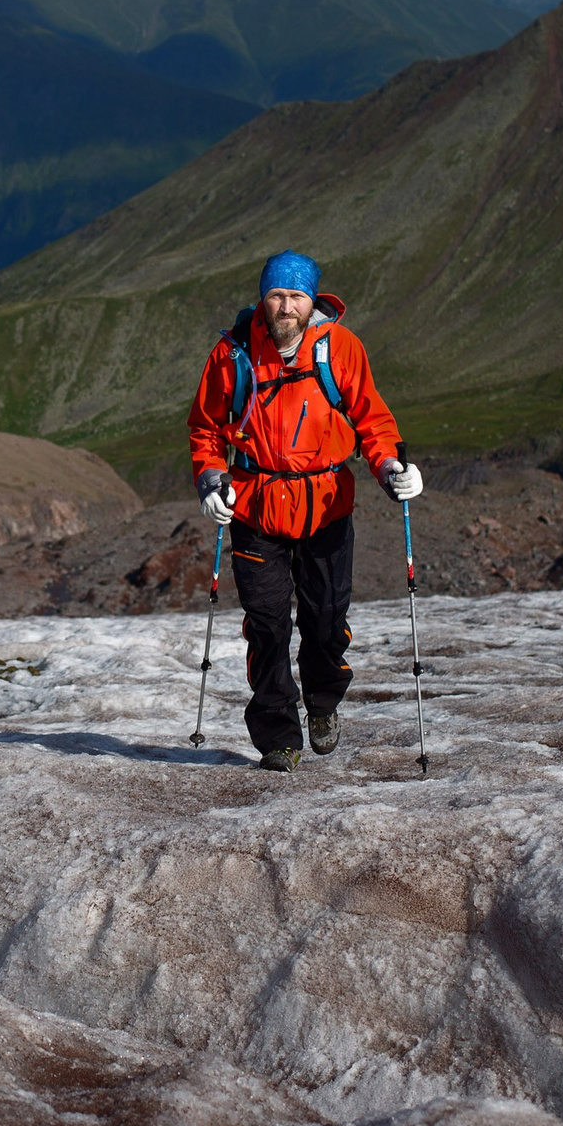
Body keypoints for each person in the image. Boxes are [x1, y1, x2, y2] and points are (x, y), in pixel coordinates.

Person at [187, 250, 422, 772]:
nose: (286, 306)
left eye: (296, 296)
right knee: (267, 627)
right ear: (262, 298)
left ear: (311, 300)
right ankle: (278, 739)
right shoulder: (231, 357)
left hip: (327, 508)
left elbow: (371, 418)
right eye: (276, 294)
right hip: (254, 508)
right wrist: (209, 478)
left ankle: (322, 702)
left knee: (325, 622)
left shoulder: (339, 348)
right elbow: (205, 429)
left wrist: (389, 468)